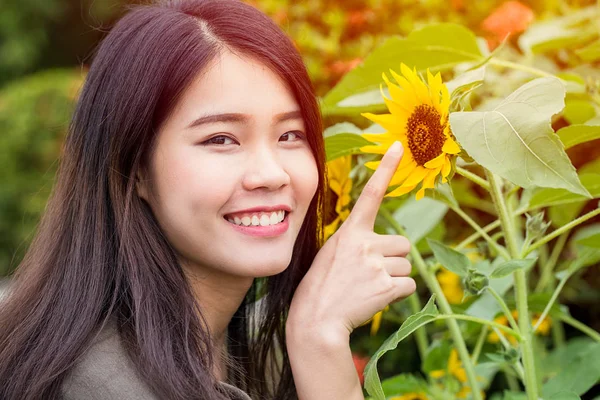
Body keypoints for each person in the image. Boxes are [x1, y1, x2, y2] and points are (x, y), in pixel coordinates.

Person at [0, 0, 416, 399]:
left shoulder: (256, 354)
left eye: (290, 134)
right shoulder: (98, 384)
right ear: (135, 168)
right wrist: (320, 347)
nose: (271, 174)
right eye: (221, 139)